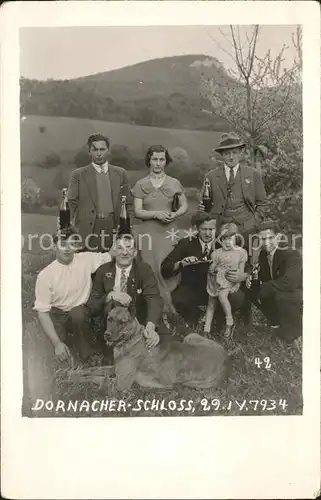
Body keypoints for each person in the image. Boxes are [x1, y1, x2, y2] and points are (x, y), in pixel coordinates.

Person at [33, 227, 115, 366]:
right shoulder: (45, 275)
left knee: (78, 313)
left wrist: (118, 235)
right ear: (54, 246)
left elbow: (111, 254)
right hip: (58, 316)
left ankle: (91, 356)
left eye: (71, 244)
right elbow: (43, 314)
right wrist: (57, 343)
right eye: (63, 244)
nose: (67, 249)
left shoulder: (85, 259)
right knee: (58, 359)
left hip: (80, 314)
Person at [161, 212, 248, 329]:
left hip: (220, 287)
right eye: (204, 229)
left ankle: (218, 319)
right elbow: (165, 267)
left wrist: (243, 275)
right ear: (197, 229)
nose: (208, 233)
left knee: (238, 297)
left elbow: (247, 261)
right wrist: (181, 263)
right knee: (177, 298)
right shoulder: (186, 243)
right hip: (194, 288)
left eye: (211, 229)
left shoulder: (223, 242)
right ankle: (194, 316)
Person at [131, 145, 188, 315]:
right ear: (149, 160)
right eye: (154, 159)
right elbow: (137, 211)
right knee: (151, 269)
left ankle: (170, 310)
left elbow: (184, 205)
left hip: (168, 232)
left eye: (161, 159)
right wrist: (156, 214)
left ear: (166, 161)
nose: (158, 163)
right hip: (148, 233)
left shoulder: (174, 183)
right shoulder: (141, 184)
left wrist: (175, 213)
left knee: (167, 269)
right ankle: (154, 312)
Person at [87, 234, 163, 349]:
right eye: (120, 248)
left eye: (129, 248)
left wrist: (150, 326)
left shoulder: (143, 269)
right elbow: (92, 305)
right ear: (114, 251)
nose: (124, 252)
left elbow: (154, 298)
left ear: (135, 252)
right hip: (111, 327)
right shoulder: (103, 270)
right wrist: (109, 296)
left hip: (136, 323)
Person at [67, 133, 131, 252]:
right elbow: (70, 203)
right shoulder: (79, 175)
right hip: (87, 228)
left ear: (108, 150)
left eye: (102, 149)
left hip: (112, 225)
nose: (99, 153)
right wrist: (66, 228)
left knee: (110, 264)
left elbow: (128, 203)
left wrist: (126, 228)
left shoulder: (121, 173)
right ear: (89, 151)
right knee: (87, 264)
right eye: (95, 149)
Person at [199, 132, 267, 237]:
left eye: (234, 153)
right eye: (227, 153)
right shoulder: (211, 176)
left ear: (240, 153)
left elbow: (263, 204)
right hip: (219, 230)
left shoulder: (253, 174)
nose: (231, 157)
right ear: (222, 155)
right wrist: (213, 225)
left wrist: (250, 224)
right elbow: (203, 206)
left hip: (247, 230)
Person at [246, 220, 302, 347]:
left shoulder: (291, 253)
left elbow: (290, 283)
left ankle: (294, 336)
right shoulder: (263, 255)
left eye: (270, 238)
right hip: (279, 290)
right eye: (262, 239)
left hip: (298, 292)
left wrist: (263, 287)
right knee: (252, 291)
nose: (266, 243)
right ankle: (276, 324)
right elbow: (264, 277)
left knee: (281, 297)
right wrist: (252, 280)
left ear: (278, 237)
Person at [204, 223, 248, 341]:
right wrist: (213, 268)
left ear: (236, 238)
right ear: (220, 239)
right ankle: (206, 329)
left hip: (228, 280)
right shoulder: (217, 253)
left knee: (222, 296)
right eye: (224, 239)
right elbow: (211, 269)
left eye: (230, 239)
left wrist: (238, 284)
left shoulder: (241, 252)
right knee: (211, 303)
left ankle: (229, 321)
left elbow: (241, 272)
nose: (227, 242)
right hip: (216, 280)